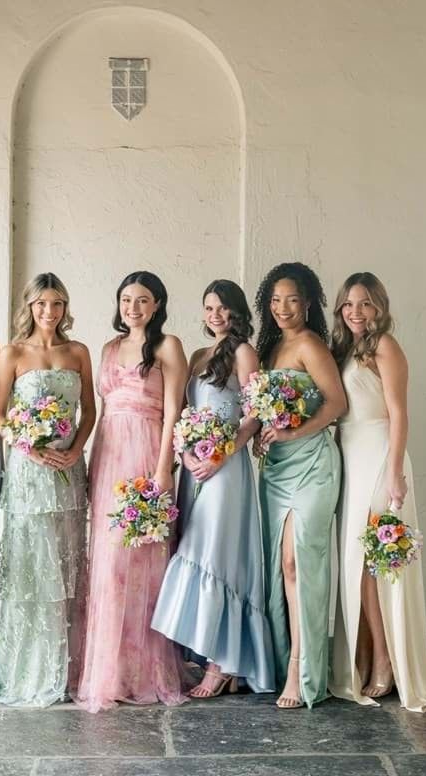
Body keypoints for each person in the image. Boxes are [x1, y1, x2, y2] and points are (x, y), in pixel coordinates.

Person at [329, 272, 426, 712]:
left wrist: (395, 471)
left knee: (378, 563)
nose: (355, 312)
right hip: (352, 459)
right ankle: (367, 657)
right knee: (359, 564)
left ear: (378, 307)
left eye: (363, 303)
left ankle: (386, 662)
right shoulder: (346, 349)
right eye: (348, 304)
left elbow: (399, 413)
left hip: (381, 457)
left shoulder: (385, 346)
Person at [152, 280, 275, 698]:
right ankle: (207, 654)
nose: (215, 315)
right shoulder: (200, 355)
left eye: (222, 308)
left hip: (226, 467)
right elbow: (184, 412)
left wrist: (222, 454)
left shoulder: (244, 352)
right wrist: (184, 454)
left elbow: (255, 414)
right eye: (208, 308)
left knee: (216, 557)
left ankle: (223, 665)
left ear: (236, 312)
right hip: (194, 466)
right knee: (193, 549)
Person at [76, 271, 189, 712]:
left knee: (143, 560)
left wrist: (164, 468)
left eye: (143, 300)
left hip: (146, 453)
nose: (133, 308)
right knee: (108, 564)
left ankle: (144, 670)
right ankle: (110, 670)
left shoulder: (167, 346)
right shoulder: (107, 348)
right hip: (109, 454)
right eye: (126, 299)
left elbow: (175, 409)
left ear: (157, 304)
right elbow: (102, 409)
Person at [0, 273, 95, 706]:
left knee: (68, 559)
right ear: (29, 308)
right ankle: (29, 669)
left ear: (65, 307)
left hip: (68, 467)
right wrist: (25, 446)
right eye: (40, 305)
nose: (48, 313)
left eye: (56, 304)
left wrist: (76, 449)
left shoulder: (78, 352)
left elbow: (89, 409)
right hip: (28, 471)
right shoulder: (12, 352)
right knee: (33, 564)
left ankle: (69, 668)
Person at [254, 262, 346, 708]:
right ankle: (286, 655)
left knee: (297, 563)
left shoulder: (310, 344)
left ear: (308, 303)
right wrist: (260, 436)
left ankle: (302, 669)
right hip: (275, 469)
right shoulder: (270, 349)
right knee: (277, 566)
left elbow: (337, 404)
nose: (282, 308)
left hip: (312, 465)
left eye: (291, 299)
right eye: (275, 300)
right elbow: (263, 410)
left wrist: (291, 432)